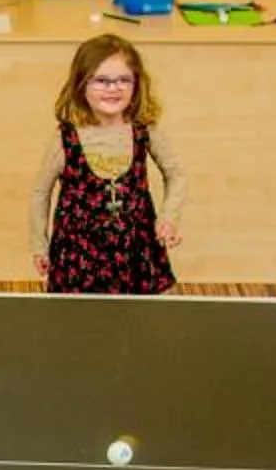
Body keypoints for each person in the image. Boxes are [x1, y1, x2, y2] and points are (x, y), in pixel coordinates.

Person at [29, 34, 184, 294]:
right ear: (81, 84)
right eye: (102, 80)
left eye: (124, 80)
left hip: (137, 253)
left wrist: (169, 218)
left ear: (137, 84)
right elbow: (39, 193)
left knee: (141, 324)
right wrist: (39, 245)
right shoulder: (65, 138)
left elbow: (176, 174)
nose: (114, 88)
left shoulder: (145, 130)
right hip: (77, 257)